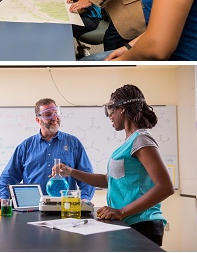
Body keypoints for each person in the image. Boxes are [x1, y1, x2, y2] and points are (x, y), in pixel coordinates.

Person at [53, 84, 173, 246]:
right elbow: (107, 180)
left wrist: (122, 211)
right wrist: (71, 171)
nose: (109, 115)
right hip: (129, 223)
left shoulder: (141, 139)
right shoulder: (129, 142)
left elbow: (165, 187)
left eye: (111, 109)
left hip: (142, 224)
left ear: (122, 108)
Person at [0, 98, 96, 204]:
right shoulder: (26, 146)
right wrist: (3, 197)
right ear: (38, 120)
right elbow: (8, 177)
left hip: (65, 208)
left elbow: (87, 177)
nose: (54, 118)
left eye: (56, 113)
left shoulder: (73, 143)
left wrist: (85, 199)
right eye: (48, 114)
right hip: (32, 208)